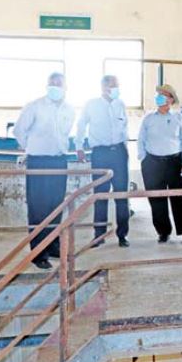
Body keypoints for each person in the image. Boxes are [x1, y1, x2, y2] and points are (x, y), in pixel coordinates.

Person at [14, 72, 75, 270]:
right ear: (47, 86)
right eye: (52, 83)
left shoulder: (69, 109)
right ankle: (38, 253)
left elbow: (64, 134)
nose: (55, 87)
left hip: (59, 160)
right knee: (38, 208)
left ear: (66, 87)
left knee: (56, 205)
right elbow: (19, 131)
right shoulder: (35, 106)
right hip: (38, 161)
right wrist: (31, 148)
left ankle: (53, 245)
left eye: (59, 84)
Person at [75, 75, 130, 248]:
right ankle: (99, 235)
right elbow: (81, 125)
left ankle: (122, 235)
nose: (116, 88)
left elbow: (125, 127)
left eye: (117, 85)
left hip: (119, 152)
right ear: (104, 87)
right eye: (113, 85)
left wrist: (125, 148)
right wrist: (79, 146)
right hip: (100, 153)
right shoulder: (92, 105)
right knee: (100, 195)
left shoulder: (120, 104)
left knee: (122, 195)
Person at [138, 84, 182, 244]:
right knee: (156, 199)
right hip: (152, 163)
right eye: (158, 94)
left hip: (174, 162)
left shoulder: (179, 118)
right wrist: (143, 159)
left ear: (171, 99)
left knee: (179, 198)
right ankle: (163, 232)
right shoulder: (148, 118)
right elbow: (141, 140)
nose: (159, 97)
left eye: (163, 94)